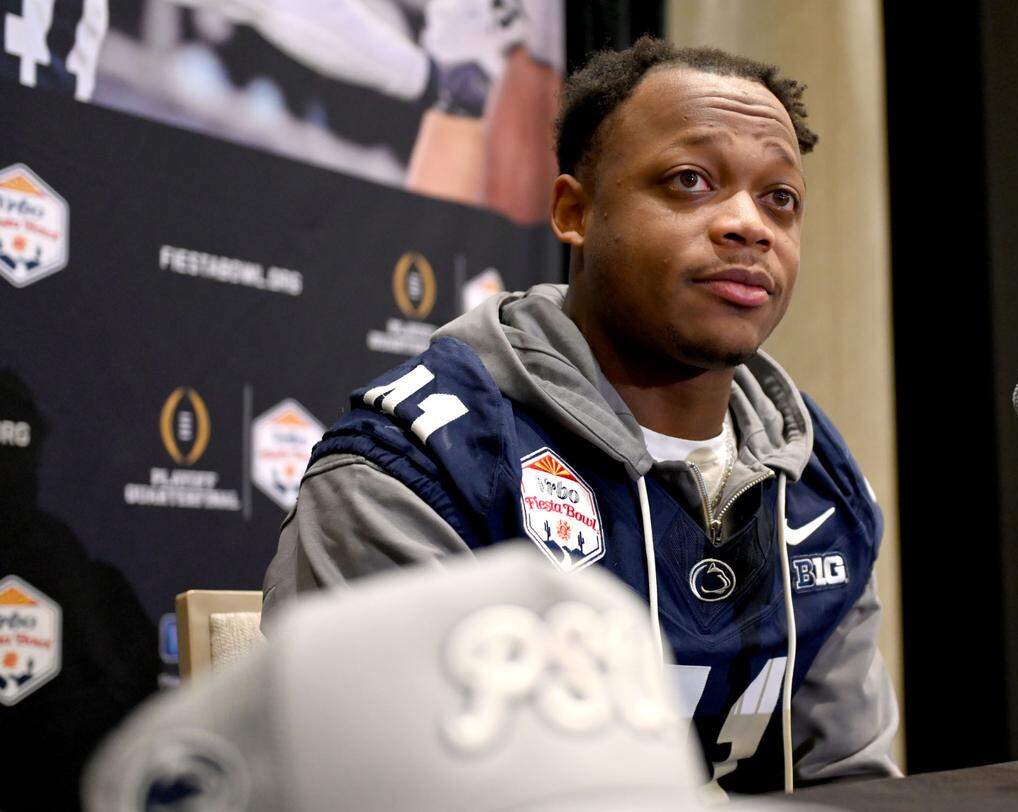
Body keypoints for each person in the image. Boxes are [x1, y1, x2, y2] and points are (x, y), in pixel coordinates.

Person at [262, 35, 900, 793]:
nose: (749, 225)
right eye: (690, 181)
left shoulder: (815, 479)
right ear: (574, 212)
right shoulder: (420, 466)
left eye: (780, 198)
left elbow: (857, 785)